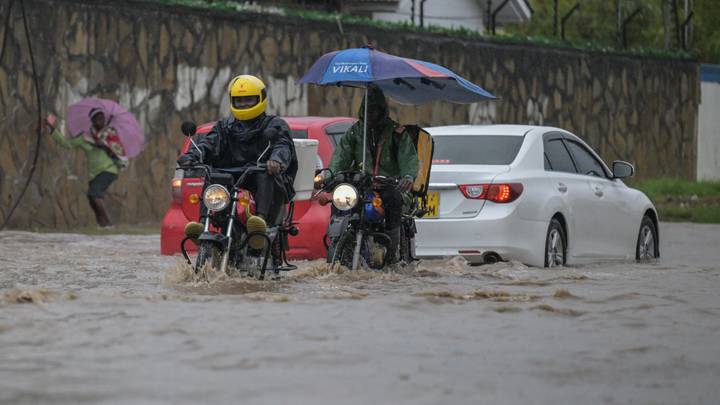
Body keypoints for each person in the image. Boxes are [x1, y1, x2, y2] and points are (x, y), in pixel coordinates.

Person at [177, 74, 297, 245]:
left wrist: (276, 160)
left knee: (263, 172)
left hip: (260, 179)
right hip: (230, 179)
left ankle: (259, 224)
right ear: (232, 101)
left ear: (261, 99)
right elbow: (208, 144)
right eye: (239, 100)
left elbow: (282, 145)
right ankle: (204, 223)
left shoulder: (274, 124)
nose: (244, 104)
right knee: (212, 176)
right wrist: (191, 156)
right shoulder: (224, 126)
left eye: (249, 100)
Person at [322, 85, 419, 264]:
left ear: (383, 111)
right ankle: (337, 243)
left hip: (388, 186)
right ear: (363, 110)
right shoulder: (354, 132)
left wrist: (408, 177)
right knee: (340, 200)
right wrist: (331, 175)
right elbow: (341, 156)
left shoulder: (397, 134)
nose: (372, 114)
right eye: (368, 110)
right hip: (360, 186)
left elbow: (409, 159)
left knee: (393, 199)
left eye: (376, 110)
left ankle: (391, 254)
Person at [45, 109, 127, 228]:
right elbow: (66, 144)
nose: (102, 121)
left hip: (109, 170)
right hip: (94, 174)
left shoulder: (109, 134)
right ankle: (102, 225)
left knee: (94, 193)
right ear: (92, 121)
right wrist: (52, 129)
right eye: (98, 119)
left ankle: (109, 224)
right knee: (91, 198)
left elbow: (118, 149)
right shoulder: (85, 138)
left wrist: (104, 145)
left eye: (103, 118)